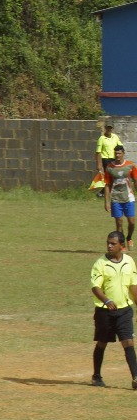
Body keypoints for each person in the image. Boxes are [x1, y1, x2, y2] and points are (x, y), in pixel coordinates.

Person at [89, 230, 137, 389]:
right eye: (108, 243)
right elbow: (95, 287)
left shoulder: (129, 262)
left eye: (113, 243)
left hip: (124, 310)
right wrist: (107, 300)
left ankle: (135, 378)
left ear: (121, 246)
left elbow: (133, 285)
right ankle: (96, 376)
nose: (109, 246)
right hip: (105, 312)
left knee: (128, 342)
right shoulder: (100, 263)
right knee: (102, 343)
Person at [105, 145, 137, 250]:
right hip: (116, 198)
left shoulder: (130, 166)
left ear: (123, 153)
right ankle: (122, 244)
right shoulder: (109, 167)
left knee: (132, 221)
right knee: (119, 223)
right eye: (116, 153)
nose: (117, 155)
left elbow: (135, 180)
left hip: (128, 197)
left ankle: (129, 237)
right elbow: (107, 185)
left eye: (119, 153)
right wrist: (106, 201)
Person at [96, 123, 123, 197]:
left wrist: (121, 158)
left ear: (112, 129)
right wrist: (99, 164)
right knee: (109, 176)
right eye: (107, 128)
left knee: (114, 177)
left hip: (114, 159)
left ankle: (103, 192)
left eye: (110, 128)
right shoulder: (101, 138)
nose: (109, 130)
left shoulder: (115, 137)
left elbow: (120, 147)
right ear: (105, 129)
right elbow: (98, 152)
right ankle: (104, 192)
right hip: (106, 159)